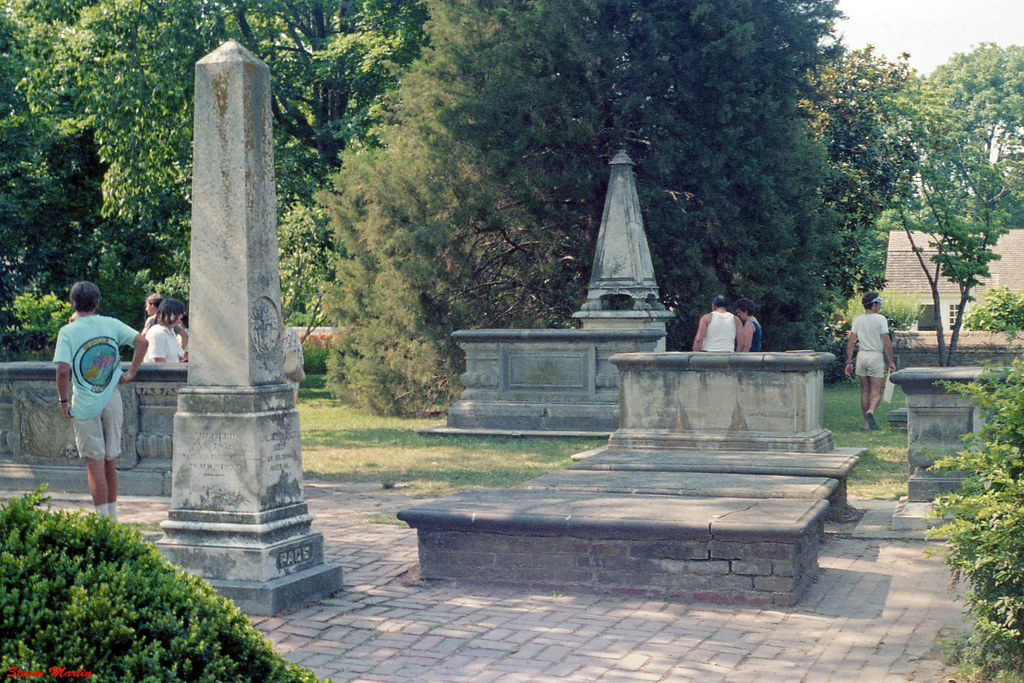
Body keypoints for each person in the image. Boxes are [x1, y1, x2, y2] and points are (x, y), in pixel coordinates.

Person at [54, 281, 148, 521]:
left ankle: (102, 523)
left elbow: (63, 370)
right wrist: (131, 372)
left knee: (94, 464)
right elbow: (142, 342)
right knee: (110, 461)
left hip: (85, 404)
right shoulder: (111, 324)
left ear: (72, 304)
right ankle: (113, 518)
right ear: (97, 303)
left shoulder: (68, 331)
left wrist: (64, 401)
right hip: (112, 397)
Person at [845, 291, 897, 430]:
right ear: (873, 304)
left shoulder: (857, 320)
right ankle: (871, 411)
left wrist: (848, 362)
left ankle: (867, 424)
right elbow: (886, 342)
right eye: (878, 303)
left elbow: (851, 343)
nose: (879, 306)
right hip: (875, 356)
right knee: (876, 392)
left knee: (864, 391)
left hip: (861, 356)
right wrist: (891, 362)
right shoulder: (881, 319)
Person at [143, 298, 187, 363]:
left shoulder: (171, 332)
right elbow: (159, 364)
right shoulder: (157, 333)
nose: (181, 316)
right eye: (179, 313)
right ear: (171, 314)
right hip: (161, 373)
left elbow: (180, 357)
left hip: (172, 372)